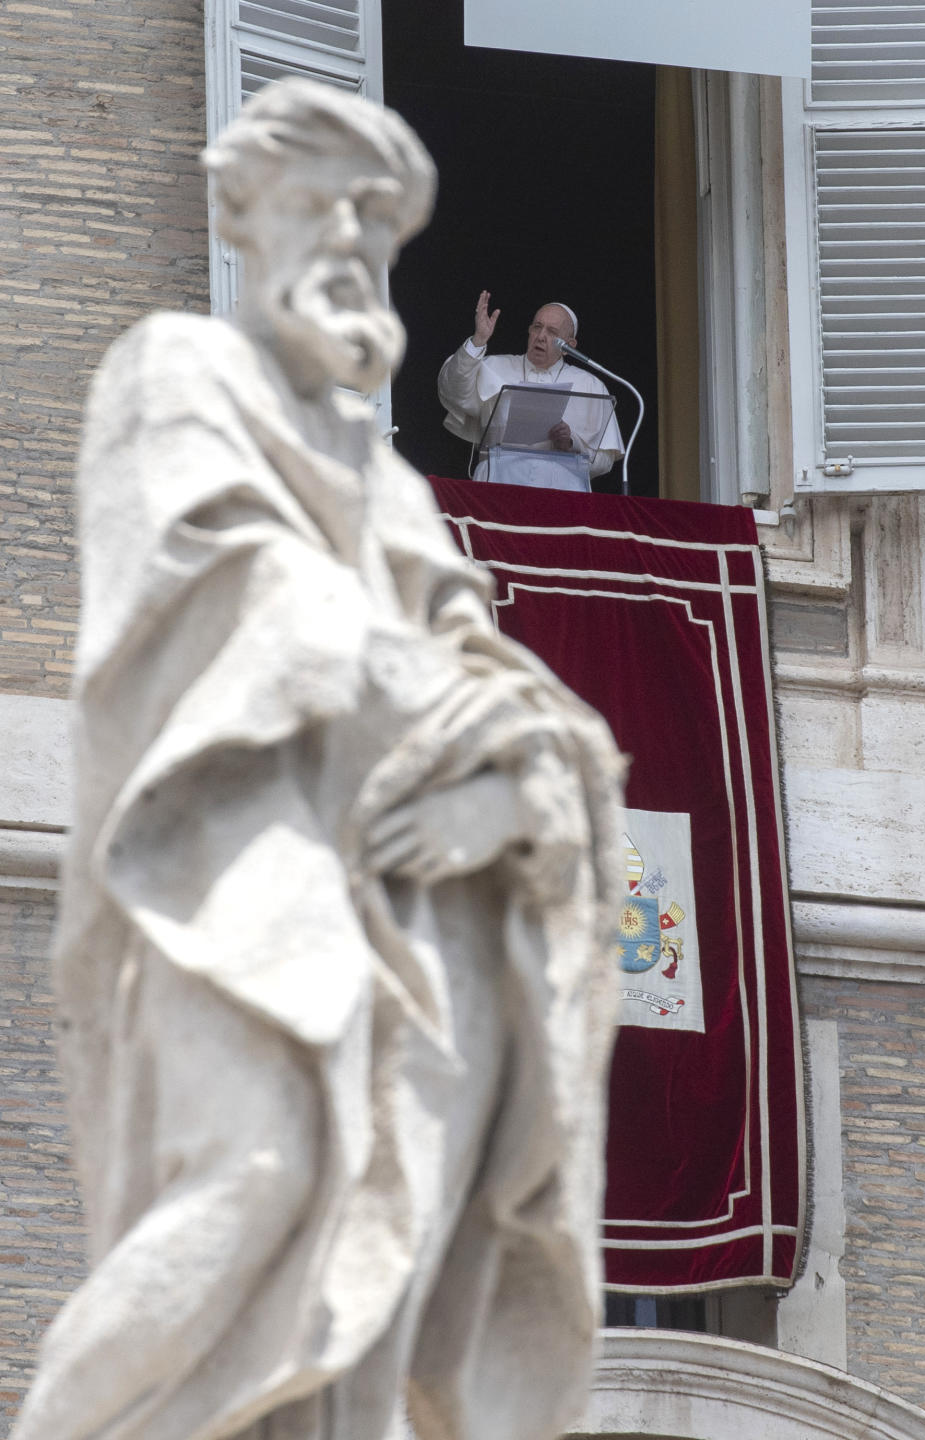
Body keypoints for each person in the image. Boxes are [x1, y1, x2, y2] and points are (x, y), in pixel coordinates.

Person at [12, 80, 623, 1440]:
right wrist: (440, 714)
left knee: (374, 1264)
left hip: (409, 912)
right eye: (326, 202)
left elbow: (506, 691)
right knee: (261, 1178)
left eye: (379, 220)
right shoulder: (176, 374)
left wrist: (501, 795)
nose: (353, 239)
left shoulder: (388, 475)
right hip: (233, 874)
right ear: (246, 214)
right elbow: (236, 589)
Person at [438, 293, 624, 490]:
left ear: (569, 346)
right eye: (537, 327)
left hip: (561, 493)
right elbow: (452, 390)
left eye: (552, 331)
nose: (541, 336)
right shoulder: (494, 366)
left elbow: (605, 461)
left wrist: (571, 443)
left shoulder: (590, 385)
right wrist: (478, 341)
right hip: (498, 486)